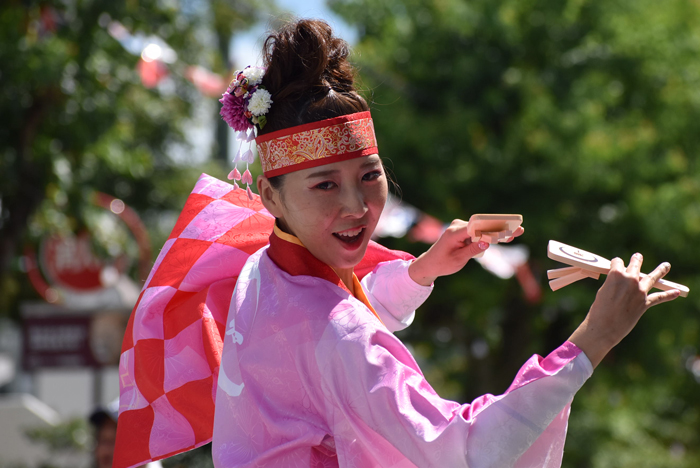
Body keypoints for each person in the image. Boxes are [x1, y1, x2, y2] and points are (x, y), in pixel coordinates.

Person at [114, 18, 680, 468]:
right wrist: (592, 340)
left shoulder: (262, 267)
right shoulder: (337, 334)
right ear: (271, 195)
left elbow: (336, 323)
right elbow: (468, 451)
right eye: (324, 185)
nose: (357, 207)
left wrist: (421, 270)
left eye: (369, 175)